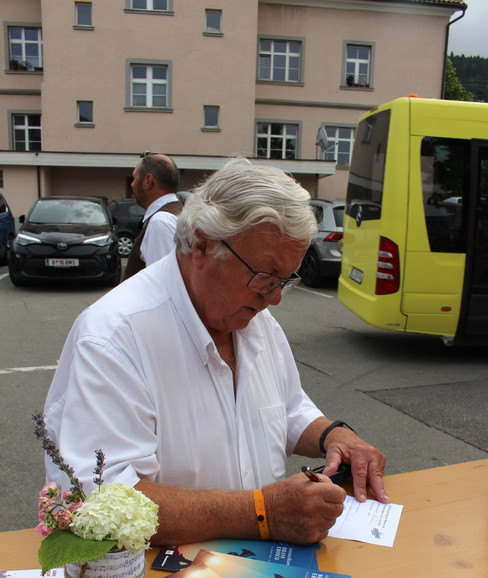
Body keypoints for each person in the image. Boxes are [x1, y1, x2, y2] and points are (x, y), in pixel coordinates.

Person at [43, 157, 389, 548]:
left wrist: (335, 436)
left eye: (285, 280)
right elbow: (105, 499)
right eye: (264, 276)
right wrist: (263, 513)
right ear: (202, 245)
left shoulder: (251, 319)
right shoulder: (115, 335)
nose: (274, 298)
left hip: (261, 574)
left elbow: (287, 409)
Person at [122, 152, 182, 280]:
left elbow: (162, 284)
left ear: (148, 181)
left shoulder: (161, 222)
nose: (132, 184)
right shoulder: (175, 213)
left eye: (134, 178)